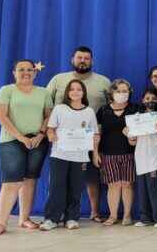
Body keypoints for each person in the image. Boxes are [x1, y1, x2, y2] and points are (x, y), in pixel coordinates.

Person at [46, 46, 110, 222]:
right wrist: (49, 132)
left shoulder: (103, 82)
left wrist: (97, 146)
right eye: (79, 57)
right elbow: (47, 105)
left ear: (92, 61)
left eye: (87, 58)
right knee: (58, 182)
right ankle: (53, 217)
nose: (83, 61)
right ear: (72, 59)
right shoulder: (58, 79)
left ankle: (92, 213)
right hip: (62, 144)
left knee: (88, 179)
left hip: (90, 140)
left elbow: (111, 107)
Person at [0, 59, 53, 236]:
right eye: (21, 69)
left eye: (29, 70)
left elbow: (48, 116)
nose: (26, 72)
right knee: (11, 182)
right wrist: (21, 137)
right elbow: (1, 116)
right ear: (14, 72)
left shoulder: (44, 93)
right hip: (12, 140)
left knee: (29, 180)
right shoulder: (6, 91)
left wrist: (41, 134)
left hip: (37, 141)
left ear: (35, 72)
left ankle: (24, 219)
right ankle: (1, 223)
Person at [40, 80, 100, 231]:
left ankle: (71, 217)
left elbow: (95, 135)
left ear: (83, 92)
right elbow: (50, 129)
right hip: (59, 154)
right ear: (67, 92)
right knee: (56, 187)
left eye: (79, 89)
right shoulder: (60, 109)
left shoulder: (89, 111)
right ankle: (51, 219)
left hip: (80, 157)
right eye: (72, 89)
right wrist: (51, 135)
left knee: (76, 188)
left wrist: (95, 154)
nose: (75, 92)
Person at [96, 79, 140, 226]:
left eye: (125, 91)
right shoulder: (103, 110)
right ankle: (113, 215)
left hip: (129, 153)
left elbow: (140, 131)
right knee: (113, 185)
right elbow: (97, 134)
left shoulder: (135, 109)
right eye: (119, 91)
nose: (122, 94)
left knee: (127, 184)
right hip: (108, 154)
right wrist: (95, 153)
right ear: (112, 93)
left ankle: (127, 215)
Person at [131, 87, 157, 228]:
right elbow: (132, 141)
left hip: (156, 156)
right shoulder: (136, 117)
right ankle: (144, 217)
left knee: (154, 188)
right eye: (147, 99)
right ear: (142, 100)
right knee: (142, 188)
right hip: (141, 156)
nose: (150, 101)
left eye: (153, 99)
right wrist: (129, 134)